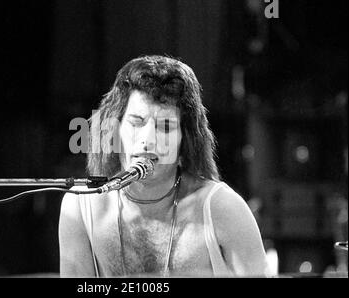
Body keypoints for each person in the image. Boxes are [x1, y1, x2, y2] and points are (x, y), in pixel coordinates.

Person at [59, 55, 270, 277]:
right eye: (136, 123)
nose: (148, 139)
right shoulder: (80, 206)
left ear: (185, 141)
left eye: (166, 126)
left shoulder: (222, 207)